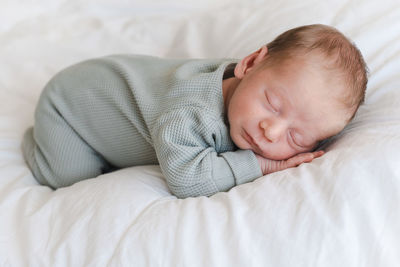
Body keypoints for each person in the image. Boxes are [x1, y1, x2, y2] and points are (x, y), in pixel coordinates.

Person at [21, 24, 368, 198]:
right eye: (272, 105)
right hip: (71, 107)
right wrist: (263, 163)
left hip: (104, 85)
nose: (271, 132)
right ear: (249, 63)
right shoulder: (191, 111)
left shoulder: (253, 90)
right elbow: (187, 180)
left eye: (296, 136)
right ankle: (36, 143)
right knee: (69, 180)